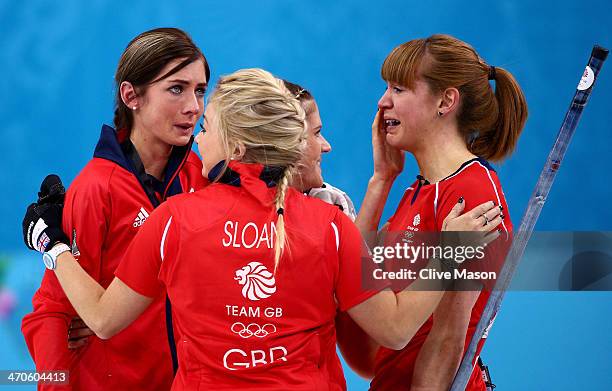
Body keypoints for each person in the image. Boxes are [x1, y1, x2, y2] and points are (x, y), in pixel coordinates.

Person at [22, 68, 499, 391]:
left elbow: (103, 319)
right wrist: (451, 251)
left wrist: (52, 245)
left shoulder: (174, 221)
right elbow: (394, 330)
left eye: (207, 125)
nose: (198, 136)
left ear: (237, 143)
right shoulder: (330, 225)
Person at [21, 28, 210, 390]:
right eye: (176, 88)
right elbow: (51, 311)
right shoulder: (96, 189)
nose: (194, 106)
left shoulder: (199, 176)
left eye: (200, 90)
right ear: (131, 96)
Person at [338, 34, 528, 391]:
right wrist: (381, 180)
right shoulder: (419, 188)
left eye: (398, 89)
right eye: (386, 88)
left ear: (446, 100)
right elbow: (353, 283)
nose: (382, 103)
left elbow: (448, 341)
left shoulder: (472, 194)